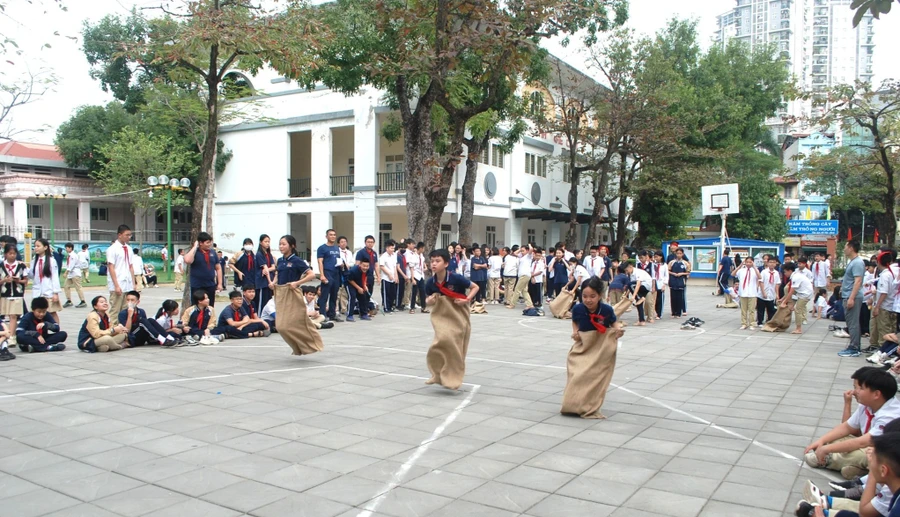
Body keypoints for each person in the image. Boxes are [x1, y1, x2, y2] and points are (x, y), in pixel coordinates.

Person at [805, 367, 900, 479]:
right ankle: (858, 470)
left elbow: (862, 442)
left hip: (885, 454)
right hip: (866, 444)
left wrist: (827, 449)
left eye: (860, 388)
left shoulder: (891, 415)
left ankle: (828, 460)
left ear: (876, 394)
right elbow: (847, 427)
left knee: (868, 453)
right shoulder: (867, 405)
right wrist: (822, 440)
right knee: (837, 440)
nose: (855, 392)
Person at [560, 276, 626, 419]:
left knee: (595, 378)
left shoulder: (606, 310)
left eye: (592, 296)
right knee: (577, 374)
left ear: (600, 296)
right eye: (584, 296)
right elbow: (575, 322)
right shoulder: (578, 309)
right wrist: (575, 332)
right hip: (583, 345)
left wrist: (617, 331)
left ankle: (589, 406)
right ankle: (572, 404)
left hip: (600, 347)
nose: (588, 300)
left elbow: (614, 323)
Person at [424, 248, 478, 390]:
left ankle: (452, 378)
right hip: (442, 317)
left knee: (455, 346)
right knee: (439, 344)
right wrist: (429, 301)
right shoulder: (430, 282)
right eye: (432, 261)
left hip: (458, 315)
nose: (434, 264)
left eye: (437, 261)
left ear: (446, 263)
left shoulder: (456, 278)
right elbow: (428, 299)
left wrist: (466, 299)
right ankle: (437, 374)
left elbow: (475, 287)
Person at [270, 234, 323, 356]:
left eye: (284, 244)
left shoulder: (297, 261)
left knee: (294, 322)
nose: (281, 246)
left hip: (292, 293)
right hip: (280, 293)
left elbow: (312, 275)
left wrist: (297, 283)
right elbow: (278, 274)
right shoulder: (280, 260)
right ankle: (299, 348)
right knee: (280, 326)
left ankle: (313, 341)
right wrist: (273, 283)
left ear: (292, 246)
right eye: (280, 244)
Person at [840, 240, 867, 357]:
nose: (844, 249)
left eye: (845, 246)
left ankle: (854, 347)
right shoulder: (853, 262)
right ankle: (854, 346)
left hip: (853, 297)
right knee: (851, 322)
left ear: (851, 248)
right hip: (848, 295)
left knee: (853, 323)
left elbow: (858, 281)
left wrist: (851, 298)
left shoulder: (857, 263)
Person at [184, 232, 223, 308]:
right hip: (197, 285)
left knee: (210, 306)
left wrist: (220, 283)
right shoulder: (195, 252)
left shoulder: (213, 253)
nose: (209, 244)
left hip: (210, 285)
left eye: (210, 242)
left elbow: (218, 268)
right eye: (207, 243)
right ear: (200, 243)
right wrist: (195, 247)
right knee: (196, 307)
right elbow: (188, 260)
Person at [29, 238, 62, 321]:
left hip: (48, 291)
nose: (36, 248)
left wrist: (55, 293)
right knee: (38, 313)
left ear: (45, 247)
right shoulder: (34, 261)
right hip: (37, 292)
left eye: (38, 246)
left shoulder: (51, 261)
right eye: (35, 246)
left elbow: (54, 277)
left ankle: (56, 330)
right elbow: (32, 276)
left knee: (52, 312)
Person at [1, 243, 27, 345]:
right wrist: (4, 280)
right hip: (5, 294)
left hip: (17, 293)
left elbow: (25, 281)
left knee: (13, 315)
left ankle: (12, 336)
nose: (12, 255)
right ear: (6, 254)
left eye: (14, 253)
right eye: (10, 253)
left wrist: (18, 281)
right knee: (5, 315)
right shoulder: (1, 266)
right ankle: (7, 334)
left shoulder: (21, 265)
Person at [106, 225, 135, 315]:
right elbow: (111, 267)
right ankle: (113, 327)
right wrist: (116, 285)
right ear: (119, 235)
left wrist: (133, 283)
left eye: (130, 235)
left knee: (126, 310)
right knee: (115, 310)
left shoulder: (129, 249)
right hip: (118, 282)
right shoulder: (112, 249)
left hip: (127, 283)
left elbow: (130, 266)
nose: (129, 237)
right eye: (127, 235)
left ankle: (124, 328)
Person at [316, 229, 343, 323]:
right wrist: (322, 275)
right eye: (331, 235)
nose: (333, 236)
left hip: (336, 273)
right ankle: (322, 315)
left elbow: (338, 260)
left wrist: (341, 265)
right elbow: (320, 262)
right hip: (327, 272)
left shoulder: (336, 248)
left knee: (334, 295)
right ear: (326, 236)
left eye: (334, 235)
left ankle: (332, 314)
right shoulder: (322, 248)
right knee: (324, 295)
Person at [783, 262, 814, 335]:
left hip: (805, 294)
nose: (784, 274)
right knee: (786, 288)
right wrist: (783, 299)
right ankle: (791, 304)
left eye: (785, 272)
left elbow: (791, 291)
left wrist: (784, 302)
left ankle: (798, 328)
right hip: (800, 292)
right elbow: (788, 289)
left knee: (798, 310)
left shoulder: (796, 277)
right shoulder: (794, 276)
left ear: (790, 271)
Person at [734, 256, 761, 330]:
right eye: (747, 262)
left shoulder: (755, 270)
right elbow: (733, 274)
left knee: (752, 310)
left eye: (750, 262)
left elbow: (759, 277)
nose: (748, 264)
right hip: (743, 292)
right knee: (743, 309)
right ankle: (744, 323)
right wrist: (740, 265)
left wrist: (754, 267)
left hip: (752, 292)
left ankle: (752, 323)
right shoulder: (742, 270)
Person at [625, 261, 652, 325]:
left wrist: (634, 296)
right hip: (640, 287)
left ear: (630, 267)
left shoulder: (638, 272)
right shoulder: (631, 274)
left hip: (646, 286)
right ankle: (641, 320)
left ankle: (640, 298)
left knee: (631, 285)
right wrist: (626, 295)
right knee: (638, 303)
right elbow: (631, 287)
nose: (627, 272)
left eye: (627, 270)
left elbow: (638, 285)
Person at [509, 245, 535, 310]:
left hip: (525, 275)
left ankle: (512, 304)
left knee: (517, 289)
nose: (522, 252)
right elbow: (514, 253)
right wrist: (520, 249)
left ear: (527, 251)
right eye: (521, 251)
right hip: (522, 275)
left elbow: (531, 249)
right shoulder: (521, 256)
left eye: (523, 251)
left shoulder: (528, 256)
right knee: (524, 290)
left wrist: (529, 245)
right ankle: (530, 304)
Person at [757, 257, 781, 326]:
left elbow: (777, 284)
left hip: (771, 294)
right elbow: (761, 282)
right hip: (762, 294)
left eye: (773, 262)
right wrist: (763, 292)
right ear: (767, 263)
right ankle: (760, 322)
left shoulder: (776, 273)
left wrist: (777, 294)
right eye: (770, 262)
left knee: (771, 309)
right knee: (761, 309)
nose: (772, 264)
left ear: (776, 264)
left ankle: (770, 321)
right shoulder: (764, 272)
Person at [355, 235, 380, 301]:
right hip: (363, 276)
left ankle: (367, 307)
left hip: (370, 275)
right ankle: (362, 308)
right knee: (363, 293)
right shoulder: (360, 252)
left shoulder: (374, 253)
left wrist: (378, 277)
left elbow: (376, 265)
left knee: (370, 292)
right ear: (365, 243)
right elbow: (357, 264)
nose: (370, 244)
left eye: (372, 242)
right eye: (368, 242)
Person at [255, 234, 276, 314]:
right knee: (261, 302)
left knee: (268, 301)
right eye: (265, 241)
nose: (267, 243)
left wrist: (267, 269)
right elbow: (265, 268)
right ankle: (260, 317)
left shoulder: (269, 254)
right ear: (261, 242)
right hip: (262, 282)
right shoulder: (259, 254)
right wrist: (270, 281)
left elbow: (273, 267)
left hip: (268, 281)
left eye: (268, 242)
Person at [62, 242, 87, 308]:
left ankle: (83, 301)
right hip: (71, 274)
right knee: (66, 286)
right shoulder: (69, 255)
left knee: (78, 287)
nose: (66, 249)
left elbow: (71, 265)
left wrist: (66, 272)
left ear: (70, 248)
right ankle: (69, 300)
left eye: (67, 248)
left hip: (75, 273)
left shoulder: (73, 255)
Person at [668, 248, 690, 318]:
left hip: (681, 281)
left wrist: (682, 273)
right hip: (673, 281)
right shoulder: (672, 262)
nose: (679, 255)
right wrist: (673, 273)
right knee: (673, 297)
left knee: (680, 298)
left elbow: (688, 272)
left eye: (680, 253)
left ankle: (678, 313)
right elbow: (668, 271)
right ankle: (673, 312)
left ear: (682, 254)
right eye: (677, 253)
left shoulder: (685, 263)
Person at [379, 239, 398, 313]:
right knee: (386, 293)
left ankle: (390, 306)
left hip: (392, 278)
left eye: (393, 248)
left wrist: (395, 276)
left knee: (392, 293)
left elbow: (394, 267)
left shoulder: (394, 255)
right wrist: (389, 274)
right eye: (391, 248)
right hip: (386, 278)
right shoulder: (383, 256)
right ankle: (386, 308)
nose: (393, 249)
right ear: (387, 248)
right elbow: (382, 266)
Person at [653, 251, 669, 320]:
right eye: (655, 256)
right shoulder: (653, 264)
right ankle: (655, 312)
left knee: (660, 300)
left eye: (657, 256)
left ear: (661, 257)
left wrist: (664, 284)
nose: (656, 258)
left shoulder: (664, 265)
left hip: (661, 283)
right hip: (654, 284)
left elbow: (666, 275)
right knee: (654, 300)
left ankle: (659, 314)